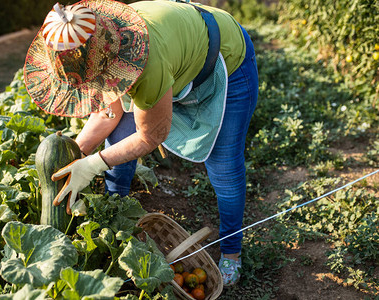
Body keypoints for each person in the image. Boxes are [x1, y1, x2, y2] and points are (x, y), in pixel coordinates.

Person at [24, 0, 258, 286]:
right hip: (176, 53)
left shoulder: (145, 60)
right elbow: (108, 115)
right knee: (119, 138)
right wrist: (73, 157)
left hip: (226, 57)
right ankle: (116, 222)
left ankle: (232, 254)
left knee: (224, 166)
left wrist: (93, 164)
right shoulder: (102, 44)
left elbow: (151, 136)